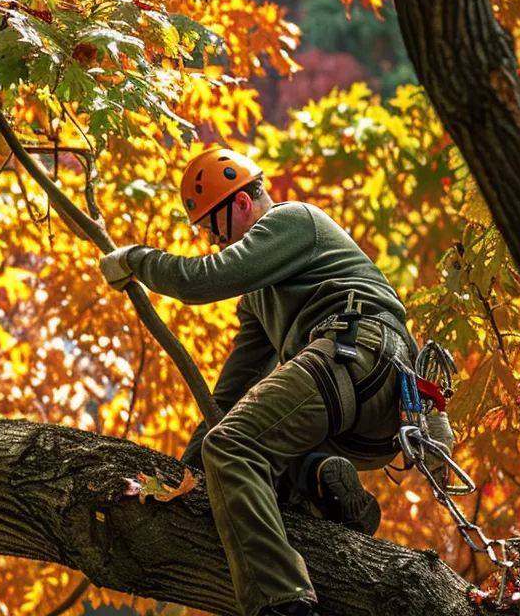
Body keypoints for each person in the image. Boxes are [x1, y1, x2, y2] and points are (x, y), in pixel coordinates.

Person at [97, 148, 416, 616]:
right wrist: (186, 475)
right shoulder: (259, 297)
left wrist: (137, 260)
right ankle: (321, 480)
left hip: (357, 350)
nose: (214, 242)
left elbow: (197, 282)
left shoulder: (292, 220)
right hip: (359, 411)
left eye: (213, 228)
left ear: (241, 203)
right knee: (248, 457)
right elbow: (230, 394)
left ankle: (280, 602)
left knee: (233, 449)